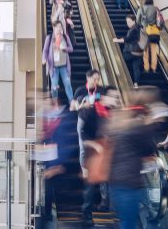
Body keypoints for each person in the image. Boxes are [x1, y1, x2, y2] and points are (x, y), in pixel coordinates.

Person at [105, 88, 156, 229]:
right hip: (129, 180)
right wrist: (151, 121)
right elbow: (148, 147)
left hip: (116, 179)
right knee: (129, 222)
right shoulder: (136, 125)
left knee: (127, 220)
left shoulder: (119, 119)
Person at [72, 69, 109, 227]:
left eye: (98, 78)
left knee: (102, 167)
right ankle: (84, 169)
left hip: (98, 127)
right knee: (83, 149)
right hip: (84, 122)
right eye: (94, 79)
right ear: (88, 78)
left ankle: (104, 201)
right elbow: (74, 106)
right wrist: (83, 104)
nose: (96, 81)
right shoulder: (81, 90)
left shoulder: (102, 90)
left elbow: (105, 107)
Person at [41, 92, 80, 225]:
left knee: (53, 192)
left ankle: (50, 217)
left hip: (59, 164)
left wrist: (59, 166)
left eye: (46, 99)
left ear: (55, 101)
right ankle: (48, 215)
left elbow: (68, 142)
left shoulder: (66, 117)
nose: (44, 102)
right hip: (49, 161)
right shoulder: (47, 117)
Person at [42, 21, 74, 102]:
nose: (59, 29)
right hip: (54, 67)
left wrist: (65, 48)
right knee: (54, 86)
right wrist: (44, 59)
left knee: (68, 84)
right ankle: (55, 103)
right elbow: (45, 50)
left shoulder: (65, 37)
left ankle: (71, 101)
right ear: (54, 28)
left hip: (64, 66)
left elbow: (71, 49)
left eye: (60, 27)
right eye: (57, 27)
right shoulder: (49, 38)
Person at [113, 14, 143, 86]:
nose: (128, 24)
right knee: (136, 68)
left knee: (119, 60)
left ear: (134, 21)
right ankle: (136, 83)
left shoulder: (134, 29)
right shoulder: (140, 28)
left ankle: (120, 80)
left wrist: (117, 40)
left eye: (129, 22)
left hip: (131, 52)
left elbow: (128, 39)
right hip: (139, 52)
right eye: (127, 22)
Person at [136, 0, 161, 73]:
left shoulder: (141, 8)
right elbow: (159, 20)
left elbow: (137, 21)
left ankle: (146, 68)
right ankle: (153, 68)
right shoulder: (156, 9)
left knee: (145, 51)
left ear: (145, 1)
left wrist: (142, 24)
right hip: (154, 32)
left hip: (145, 31)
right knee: (153, 50)